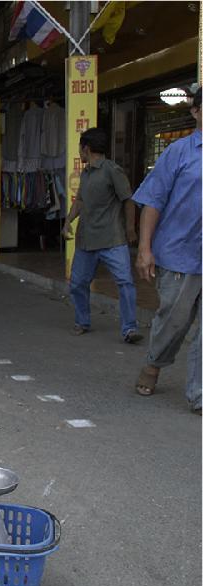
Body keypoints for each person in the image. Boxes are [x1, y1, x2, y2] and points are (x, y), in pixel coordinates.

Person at [133, 88, 202, 411]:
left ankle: (199, 394)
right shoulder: (179, 152)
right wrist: (144, 248)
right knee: (173, 320)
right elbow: (153, 201)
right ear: (196, 113)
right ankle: (153, 364)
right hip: (178, 253)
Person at [63, 127, 141, 343]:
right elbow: (79, 202)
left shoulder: (112, 170)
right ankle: (82, 321)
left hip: (112, 239)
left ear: (86, 148)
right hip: (86, 240)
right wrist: (68, 221)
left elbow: (128, 199)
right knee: (78, 283)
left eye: (80, 147)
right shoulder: (86, 173)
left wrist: (130, 230)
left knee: (125, 282)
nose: (80, 151)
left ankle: (129, 328)